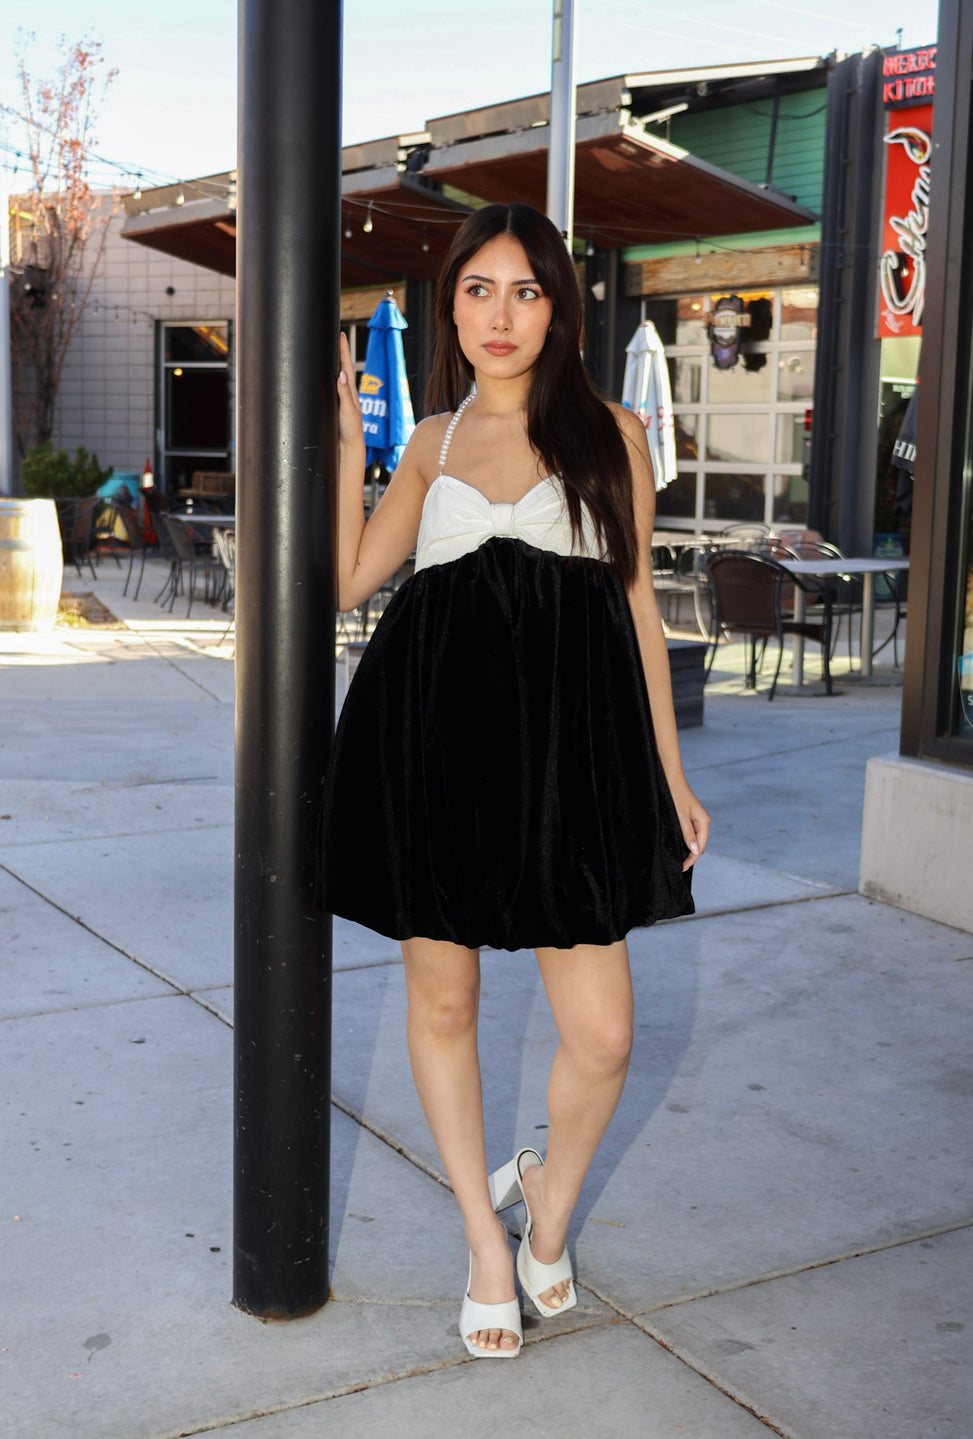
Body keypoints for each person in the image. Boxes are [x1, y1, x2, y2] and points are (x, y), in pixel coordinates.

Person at [317, 203, 709, 1359]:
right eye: (479, 289)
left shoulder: (610, 434)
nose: (500, 313)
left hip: (569, 770)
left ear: (559, 308)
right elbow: (348, 582)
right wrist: (353, 444)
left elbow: (634, 606)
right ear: (451, 304)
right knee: (444, 1004)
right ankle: (487, 1248)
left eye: (525, 291)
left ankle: (545, 1195)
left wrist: (669, 776)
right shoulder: (432, 441)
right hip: (430, 754)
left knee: (604, 1034)